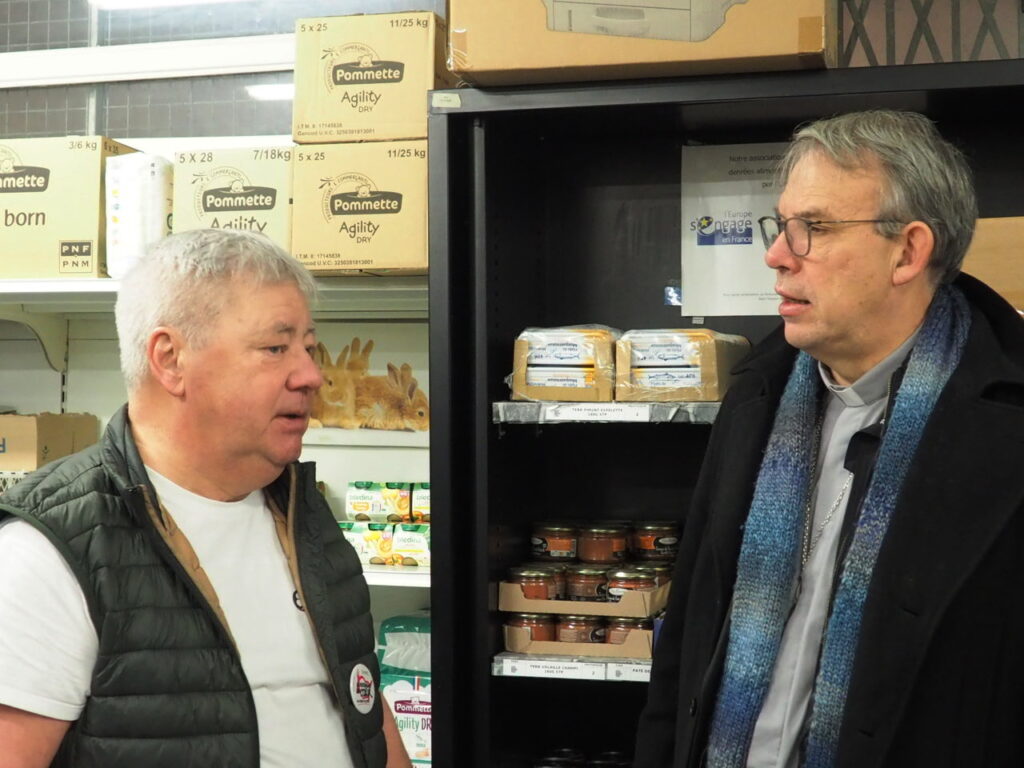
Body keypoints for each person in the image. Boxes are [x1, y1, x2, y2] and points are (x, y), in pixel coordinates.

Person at [635, 109, 1024, 768]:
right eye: (781, 226)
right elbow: (685, 651)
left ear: (909, 250)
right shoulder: (756, 397)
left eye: (813, 228)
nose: (777, 255)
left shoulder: (1004, 430)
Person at [0, 230, 412, 768]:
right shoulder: (51, 551)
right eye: (275, 348)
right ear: (170, 360)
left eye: (308, 348)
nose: (312, 375)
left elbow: (362, 707)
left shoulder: (302, 517)